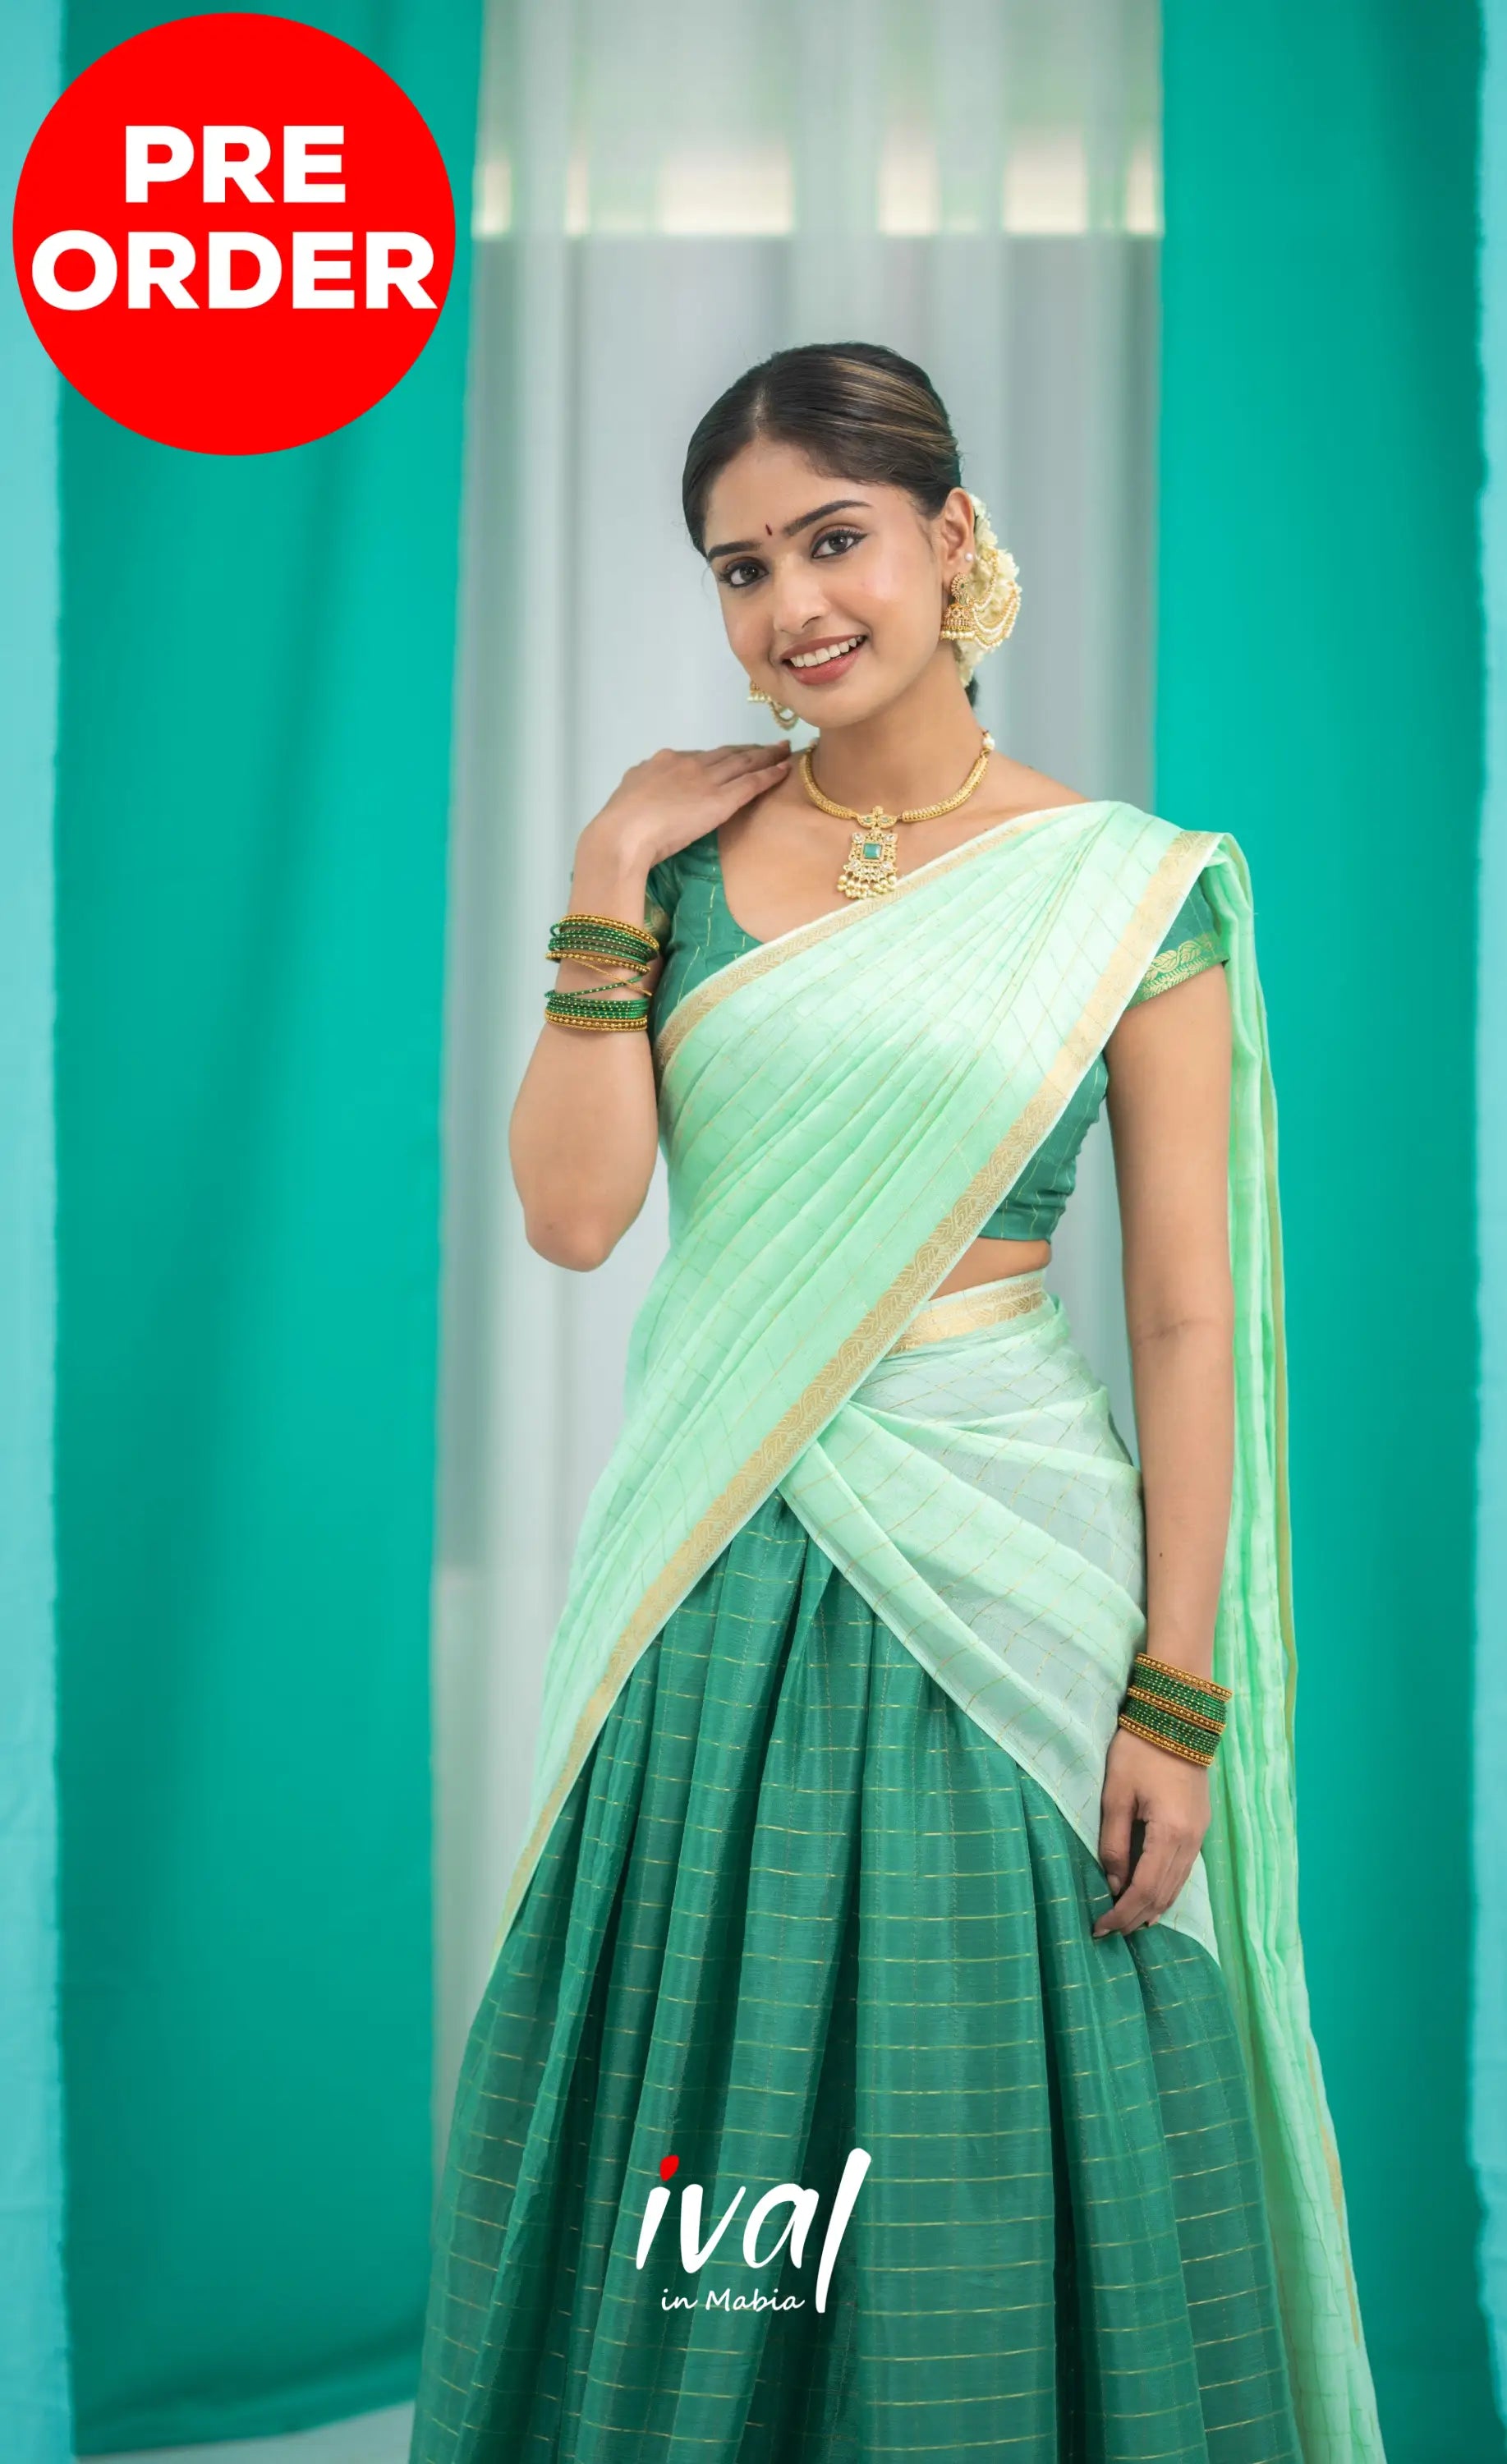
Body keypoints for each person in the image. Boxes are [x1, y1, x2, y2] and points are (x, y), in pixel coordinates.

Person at [408, 342, 1384, 2463]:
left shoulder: (1126, 886)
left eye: (832, 540)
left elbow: (1186, 1319)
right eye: (740, 568)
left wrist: (1177, 1687)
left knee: (987, 2101)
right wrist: (603, 872)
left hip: (1010, 1563)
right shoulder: (678, 870)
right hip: (724, 1552)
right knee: (708, 2100)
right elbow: (573, 1220)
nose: (792, 606)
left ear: (951, 540)